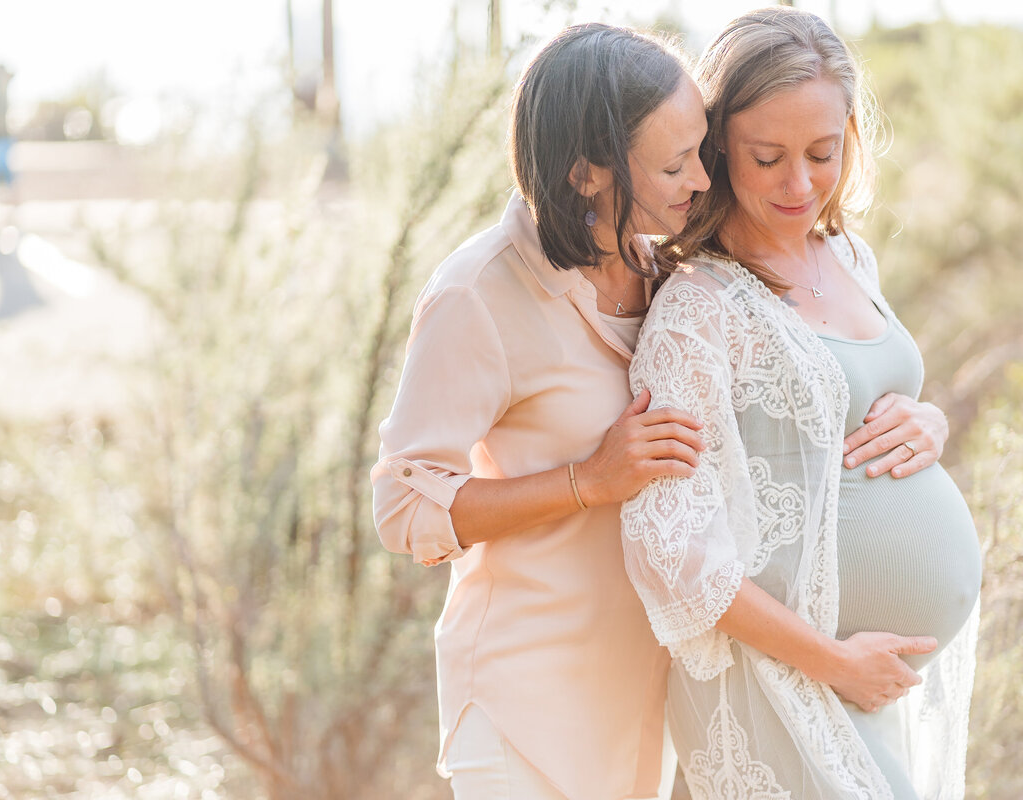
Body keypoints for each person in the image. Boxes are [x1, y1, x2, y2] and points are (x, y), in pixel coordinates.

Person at [621, 8, 981, 799]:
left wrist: (929, 420)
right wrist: (833, 660)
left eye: (822, 154)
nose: (799, 183)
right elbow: (671, 550)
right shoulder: (698, 308)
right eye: (767, 157)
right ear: (716, 150)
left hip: (865, 689)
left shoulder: (849, 255)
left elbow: (853, 412)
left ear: (850, 136)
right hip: (778, 686)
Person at [371, 23, 712, 800]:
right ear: (587, 174)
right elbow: (402, 507)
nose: (700, 177)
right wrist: (587, 481)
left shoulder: (668, 267)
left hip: (641, 706)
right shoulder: (477, 294)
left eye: (701, 149)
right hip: (522, 712)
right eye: (672, 163)